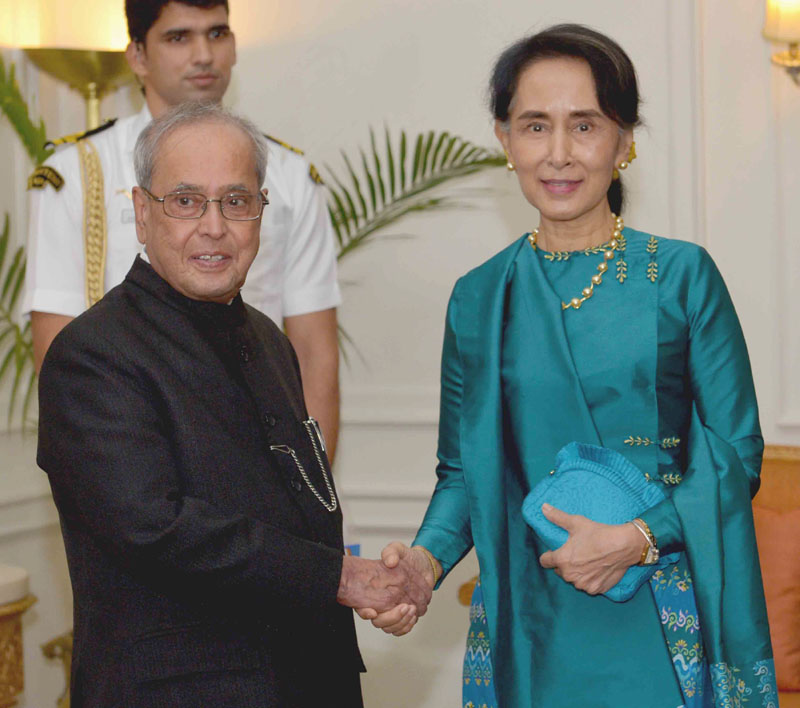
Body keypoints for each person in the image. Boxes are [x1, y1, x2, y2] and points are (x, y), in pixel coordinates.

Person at [367, 24, 778, 708]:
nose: (558, 154)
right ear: (504, 140)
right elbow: (465, 472)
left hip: (656, 605)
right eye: (534, 126)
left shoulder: (679, 277)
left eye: (584, 125)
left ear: (625, 140)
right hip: (530, 619)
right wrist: (425, 561)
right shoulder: (479, 297)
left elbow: (737, 453)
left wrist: (638, 538)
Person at [37, 102, 432, 708]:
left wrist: (380, 579)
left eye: (236, 201)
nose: (214, 226)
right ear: (143, 214)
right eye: (187, 201)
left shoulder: (270, 342)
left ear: (261, 214)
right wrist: (343, 578)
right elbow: (155, 528)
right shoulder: (92, 354)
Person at [25, 0, 342, 459]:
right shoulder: (76, 173)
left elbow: (315, 353)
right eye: (179, 37)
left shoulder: (290, 176)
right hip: (134, 447)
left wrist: (313, 494)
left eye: (217, 33)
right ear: (137, 55)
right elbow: (58, 349)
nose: (203, 55)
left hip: (264, 446)